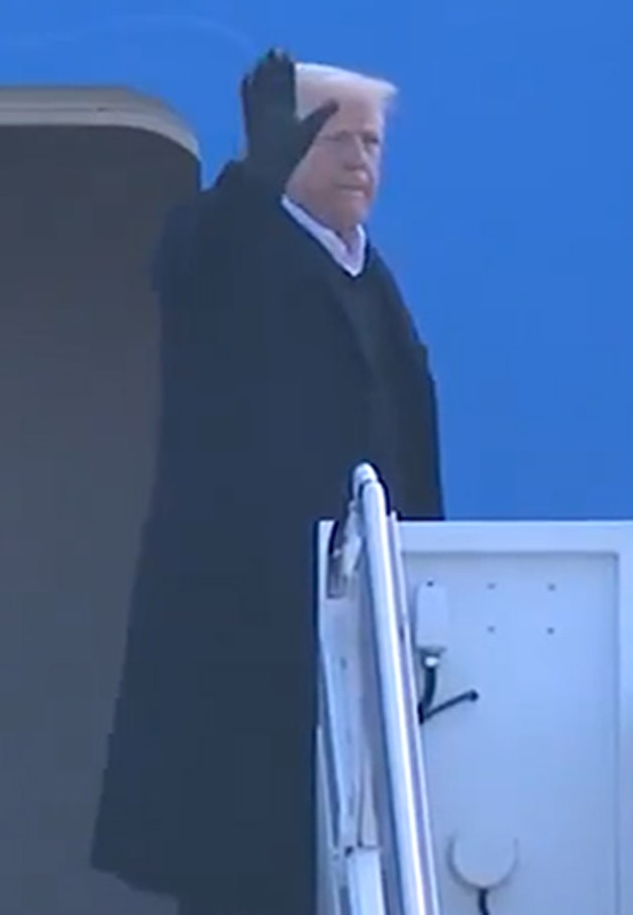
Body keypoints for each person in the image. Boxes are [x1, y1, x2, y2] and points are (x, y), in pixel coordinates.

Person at [91, 50, 444, 915]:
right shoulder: (240, 246)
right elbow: (184, 263)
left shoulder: (372, 274)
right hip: (245, 632)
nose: (362, 159)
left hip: (355, 631)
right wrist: (253, 176)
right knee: (244, 868)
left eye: (373, 141)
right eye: (338, 140)